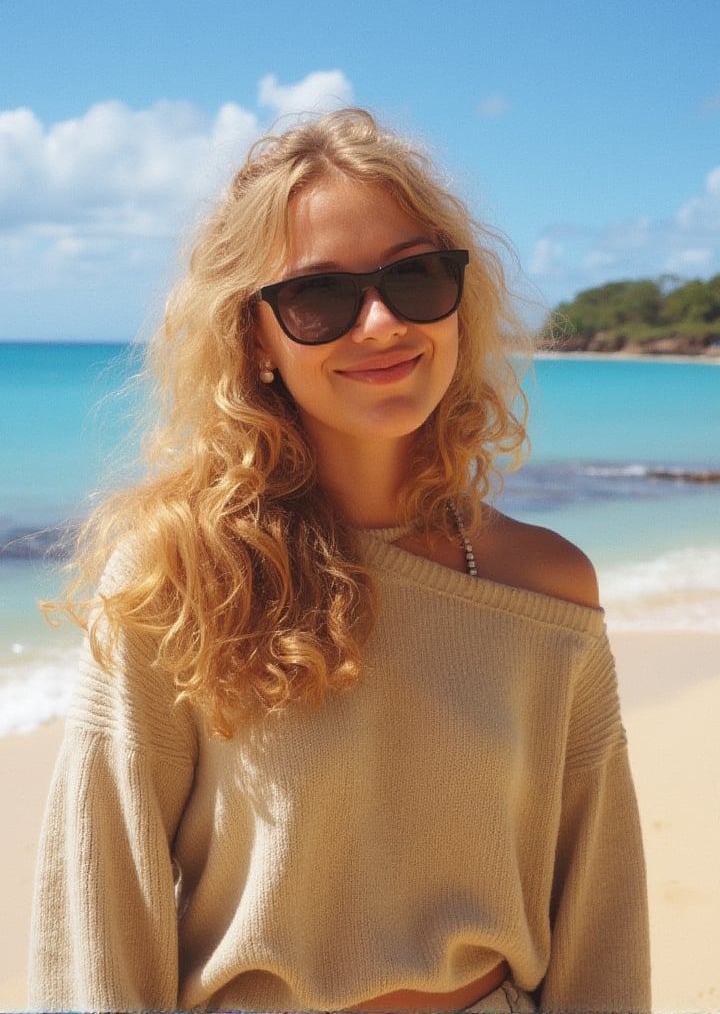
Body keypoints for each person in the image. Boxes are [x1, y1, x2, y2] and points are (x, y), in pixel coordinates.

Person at [29, 107, 650, 1013]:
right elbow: (101, 917)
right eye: (319, 297)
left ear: (458, 299)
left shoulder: (545, 589)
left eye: (416, 277)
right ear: (254, 337)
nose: (380, 323)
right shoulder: (184, 578)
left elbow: (603, 922)